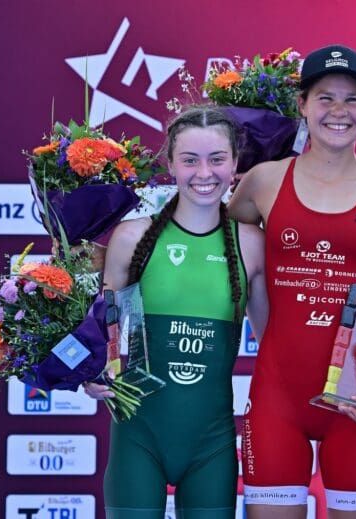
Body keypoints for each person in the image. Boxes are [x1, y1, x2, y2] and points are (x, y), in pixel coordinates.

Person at [228, 44, 356, 518]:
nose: (339, 111)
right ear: (302, 106)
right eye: (325, 98)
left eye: (353, 99)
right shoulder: (262, 182)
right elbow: (215, 254)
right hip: (277, 397)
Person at [84, 105, 268, 519]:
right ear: (170, 163)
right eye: (190, 160)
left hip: (213, 442)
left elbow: (273, 341)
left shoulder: (252, 244)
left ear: (235, 163)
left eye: (217, 159)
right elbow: (104, 329)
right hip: (138, 436)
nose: (205, 173)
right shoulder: (132, 237)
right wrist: (95, 371)